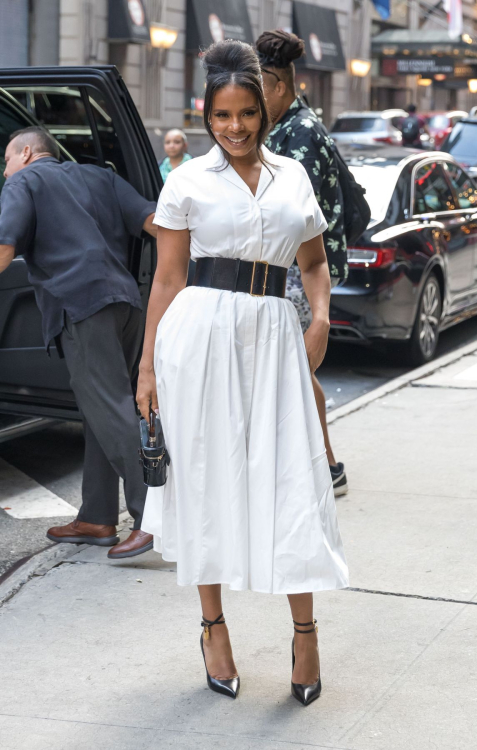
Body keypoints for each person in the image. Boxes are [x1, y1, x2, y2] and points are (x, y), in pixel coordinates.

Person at [137, 40, 348, 705]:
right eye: (222, 115)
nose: (235, 127)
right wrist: (146, 367)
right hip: (197, 340)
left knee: (291, 482)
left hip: (274, 337)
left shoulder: (293, 177)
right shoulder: (187, 180)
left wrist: (318, 317)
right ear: (208, 115)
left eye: (247, 113)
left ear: (266, 108)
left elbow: (313, 264)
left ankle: (306, 632)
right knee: (205, 482)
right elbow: (167, 280)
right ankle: (212, 626)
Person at [0, 126, 157, 558]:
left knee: (111, 413)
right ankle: (97, 517)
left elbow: (2, 249)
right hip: (127, 304)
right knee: (102, 412)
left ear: (26, 153)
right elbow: (156, 223)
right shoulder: (100, 177)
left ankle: (155, 519)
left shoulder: (24, 181)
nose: (6, 170)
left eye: (6, 161)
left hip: (83, 307)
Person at [255, 29, 348, 496]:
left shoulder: (301, 134)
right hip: (289, 270)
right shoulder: (287, 128)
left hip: (300, 271)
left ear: (276, 86)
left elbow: (298, 224)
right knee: (293, 372)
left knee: (295, 371)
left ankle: (328, 465)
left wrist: (322, 314)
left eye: (255, 88)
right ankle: (319, 463)